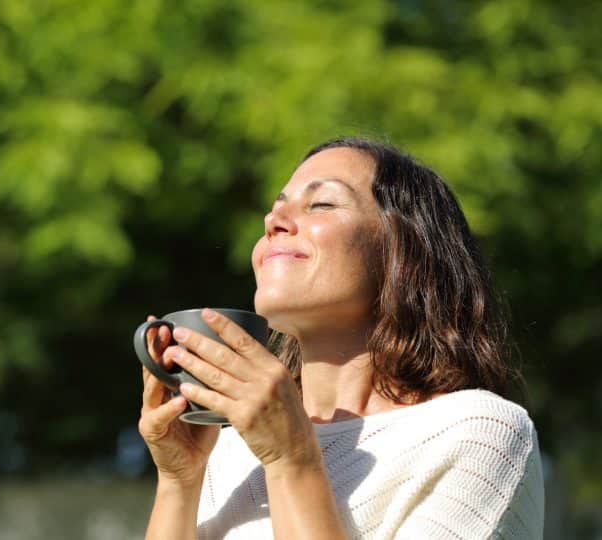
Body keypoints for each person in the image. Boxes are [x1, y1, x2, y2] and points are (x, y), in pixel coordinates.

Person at [138, 137, 544, 539]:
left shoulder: (478, 433)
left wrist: (291, 461)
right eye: (275, 210)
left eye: (321, 204)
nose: (272, 222)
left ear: (403, 248)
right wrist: (179, 480)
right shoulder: (228, 454)